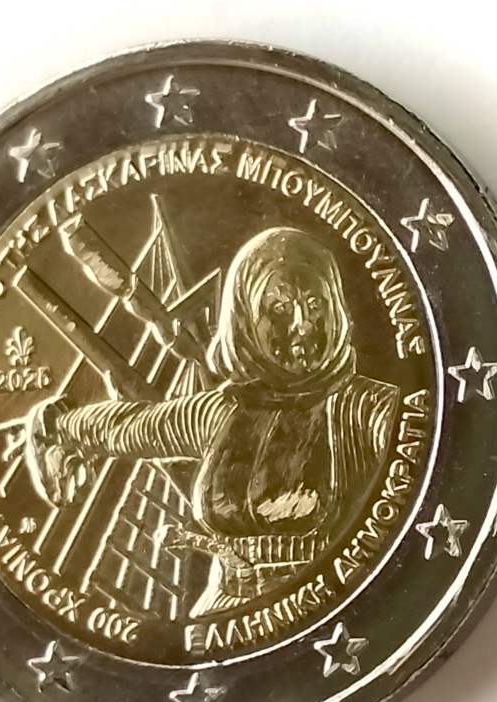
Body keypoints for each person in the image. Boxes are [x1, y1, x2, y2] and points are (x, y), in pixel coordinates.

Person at [26, 227, 399, 616]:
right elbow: (132, 426)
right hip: (222, 615)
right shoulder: (223, 413)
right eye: (279, 309)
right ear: (245, 322)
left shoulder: (369, 409)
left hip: (331, 610)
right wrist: (57, 429)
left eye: (315, 304)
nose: (303, 324)